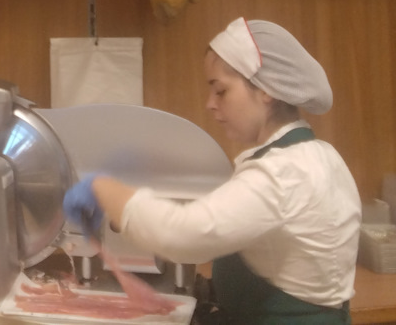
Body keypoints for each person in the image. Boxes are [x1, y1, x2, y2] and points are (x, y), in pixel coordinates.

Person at [62, 17, 360, 324]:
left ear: (266, 90)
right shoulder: (319, 156)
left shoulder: (284, 172)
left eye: (221, 91)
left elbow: (184, 236)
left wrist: (103, 188)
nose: (210, 104)